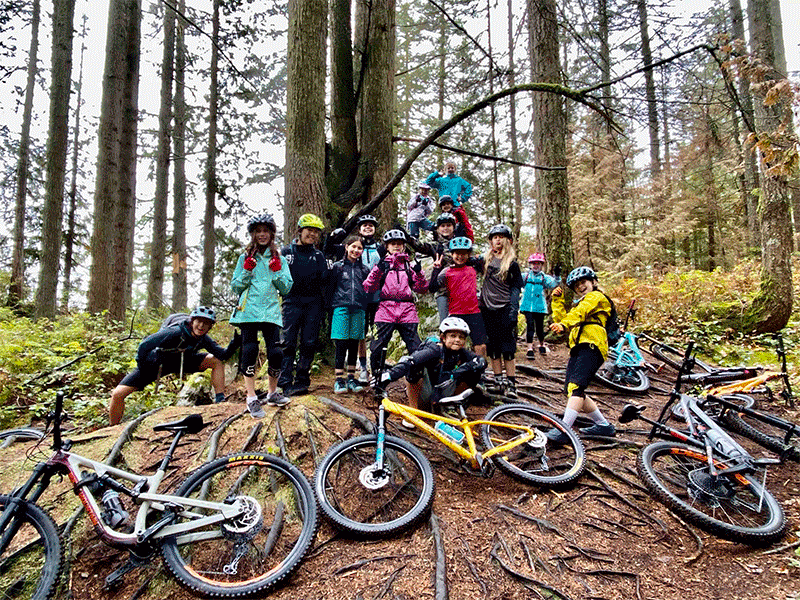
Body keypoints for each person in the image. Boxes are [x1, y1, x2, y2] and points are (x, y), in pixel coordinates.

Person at [108, 306, 240, 425]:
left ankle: (220, 399)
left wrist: (234, 343)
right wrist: (143, 366)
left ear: (210, 327)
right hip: (158, 363)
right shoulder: (174, 332)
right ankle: (112, 429)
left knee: (215, 361)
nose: (201, 326)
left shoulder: (203, 339)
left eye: (206, 323)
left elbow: (222, 355)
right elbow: (145, 345)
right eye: (199, 321)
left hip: (183, 362)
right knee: (118, 394)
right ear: (192, 321)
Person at [231, 213, 293, 418]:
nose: (262, 235)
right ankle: (251, 398)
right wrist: (247, 270)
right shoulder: (245, 257)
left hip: (270, 310)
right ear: (253, 234)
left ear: (272, 234)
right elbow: (235, 286)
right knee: (249, 350)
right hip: (248, 310)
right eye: (258, 231)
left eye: (266, 231)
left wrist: (277, 272)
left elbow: (286, 288)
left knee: (276, 353)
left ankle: (272, 392)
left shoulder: (279, 259)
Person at [546, 266, 616, 443]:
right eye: (576, 285)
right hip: (579, 346)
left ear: (593, 282)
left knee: (576, 387)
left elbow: (579, 313)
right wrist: (557, 301)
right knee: (573, 390)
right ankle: (603, 425)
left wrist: (564, 324)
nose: (580, 286)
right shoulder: (581, 303)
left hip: (592, 344)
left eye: (583, 282)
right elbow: (565, 319)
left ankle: (564, 430)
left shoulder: (597, 297)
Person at [377, 317, 487, 427]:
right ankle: (413, 412)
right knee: (415, 367)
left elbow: (481, 362)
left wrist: (456, 373)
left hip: (444, 391)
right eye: (453, 336)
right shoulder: (434, 349)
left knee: (474, 370)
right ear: (443, 338)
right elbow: (411, 361)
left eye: (461, 337)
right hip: (426, 392)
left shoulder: (462, 352)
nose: (457, 340)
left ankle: (451, 407)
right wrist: (389, 375)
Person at [325, 214, 386, 383]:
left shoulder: (379, 249)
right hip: (345, 302)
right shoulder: (341, 262)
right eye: (364, 225)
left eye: (371, 225)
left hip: (369, 299)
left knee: (366, 334)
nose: (368, 227)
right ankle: (352, 372)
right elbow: (329, 250)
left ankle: (369, 368)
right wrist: (331, 238)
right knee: (349, 338)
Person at [363, 229, 428, 379]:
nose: (396, 246)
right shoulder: (383, 265)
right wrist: (378, 269)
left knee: (415, 347)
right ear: (387, 246)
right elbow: (368, 286)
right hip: (385, 308)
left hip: (407, 310)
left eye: (399, 244)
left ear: (404, 246)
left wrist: (419, 273)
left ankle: (415, 376)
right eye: (393, 244)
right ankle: (376, 377)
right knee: (378, 346)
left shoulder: (409, 265)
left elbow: (421, 289)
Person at [278, 213, 329, 397]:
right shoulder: (286, 252)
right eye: (309, 231)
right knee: (288, 342)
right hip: (291, 301)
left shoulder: (318, 255)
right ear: (300, 231)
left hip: (313, 303)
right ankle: (284, 381)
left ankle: (302, 380)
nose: (313, 235)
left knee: (309, 342)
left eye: (316, 232)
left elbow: (324, 280)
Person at [480, 224, 523, 398]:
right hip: (487, 309)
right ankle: (498, 382)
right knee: (493, 348)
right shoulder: (484, 260)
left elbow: (515, 288)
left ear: (508, 241)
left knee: (508, 348)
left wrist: (514, 309)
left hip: (504, 308)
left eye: (501, 237)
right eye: (494, 237)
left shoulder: (512, 264)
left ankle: (511, 384)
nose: (497, 240)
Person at [327, 235, 372, 394]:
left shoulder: (365, 270)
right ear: (346, 247)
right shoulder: (337, 267)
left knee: (354, 342)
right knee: (341, 342)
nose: (356, 250)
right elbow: (330, 287)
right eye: (353, 247)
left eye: (359, 248)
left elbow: (369, 290)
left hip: (359, 308)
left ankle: (352, 378)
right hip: (340, 306)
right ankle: (339, 379)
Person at [429, 237, 486, 357]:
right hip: (455, 313)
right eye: (457, 253)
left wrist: (478, 260)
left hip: (474, 312)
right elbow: (432, 288)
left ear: (469, 254)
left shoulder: (474, 268)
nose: (460, 256)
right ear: (452, 254)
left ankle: (480, 370)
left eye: (464, 253)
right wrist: (436, 269)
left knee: (480, 344)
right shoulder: (446, 271)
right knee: (453, 344)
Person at [410, 212, 459, 322]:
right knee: (445, 323)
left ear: (453, 227)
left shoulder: (460, 243)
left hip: (460, 288)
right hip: (442, 290)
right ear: (438, 228)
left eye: (448, 225)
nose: (445, 228)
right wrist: (408, 238)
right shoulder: (435, 245)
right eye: (442, 226)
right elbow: (420, 246)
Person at [520, 252, 559, 359]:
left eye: (538, 264)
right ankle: (529, 349)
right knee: (530, 327)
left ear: (541, 265)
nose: (536, 266)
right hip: (527, 306)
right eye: (533, 263)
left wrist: (557, 275)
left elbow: (554, 284)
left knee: (540, 328)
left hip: (540, 307)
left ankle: (542, 345)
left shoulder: (544, 278)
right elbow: (515, 281)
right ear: (530, 265)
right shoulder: (525, 276)